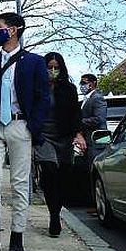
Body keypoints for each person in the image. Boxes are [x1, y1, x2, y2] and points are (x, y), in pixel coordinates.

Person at [0, 12, 50, 251]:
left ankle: (17, 237)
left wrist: (33, 127)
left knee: (19, 183)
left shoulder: (34, 62)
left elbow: (43, 98)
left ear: (13, 30)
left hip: (20, 125)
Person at [35, 52, 87, 237]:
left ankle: (57, 210)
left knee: (63, 178)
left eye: (56, 67)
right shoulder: (37, 87)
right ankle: (54, 216)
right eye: (49, 67)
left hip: (63, 137)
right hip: (44, 137)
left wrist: (79, 134)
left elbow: (75, 113)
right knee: (49, 173)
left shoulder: (69, 89)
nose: (53, 71)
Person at [79, 73, 107, 148]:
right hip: (88, 141)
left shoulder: (97, 98)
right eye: (81, 83)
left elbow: (99, 119)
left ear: (93, 83)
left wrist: (79, 121)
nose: (82, 86)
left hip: (97, 141)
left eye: (84, 83)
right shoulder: (87, 98)